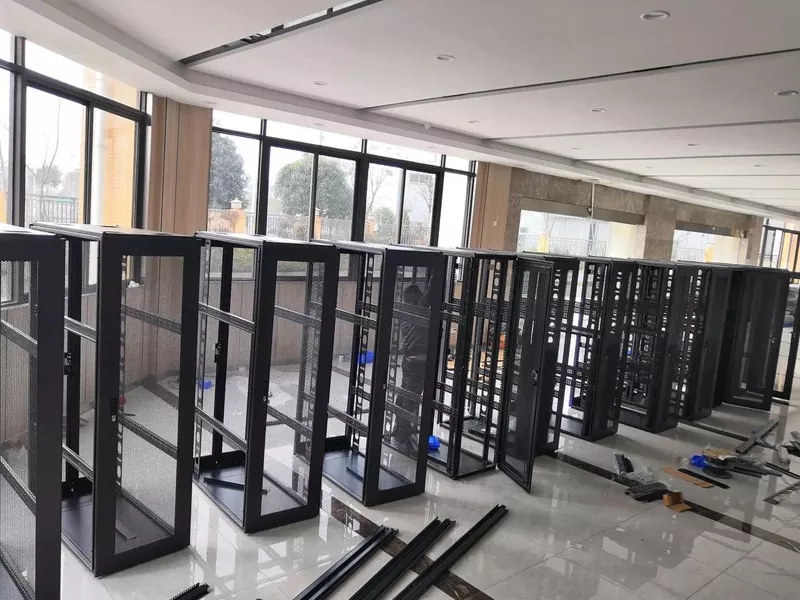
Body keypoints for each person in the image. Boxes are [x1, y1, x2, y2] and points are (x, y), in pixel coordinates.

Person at [392, 283, 428, 454]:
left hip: (408, 362)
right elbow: (430, 294)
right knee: (410, 399)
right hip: (417, 364)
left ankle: (398, 427)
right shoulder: (417, 311)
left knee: (404, 394)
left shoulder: (406, 313)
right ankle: (403, 435)